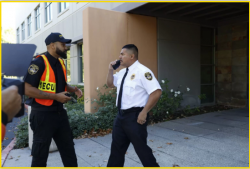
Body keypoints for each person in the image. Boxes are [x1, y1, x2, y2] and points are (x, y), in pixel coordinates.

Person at [24, 32, 82, 167]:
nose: (65, 47)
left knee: (69, 153)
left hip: (60, 114)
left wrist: (73, 89)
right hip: (42, 116)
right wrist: (55, 97)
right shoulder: (38, 63)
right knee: (40, 157)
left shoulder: (60, 63)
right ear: (52, 45)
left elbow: (59, 84)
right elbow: (26, 89)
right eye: (62, 44)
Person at [106, 44, 162, 167]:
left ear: (132, 56)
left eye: (122, 54)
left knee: (142, 150)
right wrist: (110, 69)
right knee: (116, 150)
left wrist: (144, 112)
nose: (119, 56)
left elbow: (156, 92)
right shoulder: (121, 72)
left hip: (135, 117)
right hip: (121, 116)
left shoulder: (143, 71)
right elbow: (110, 84)